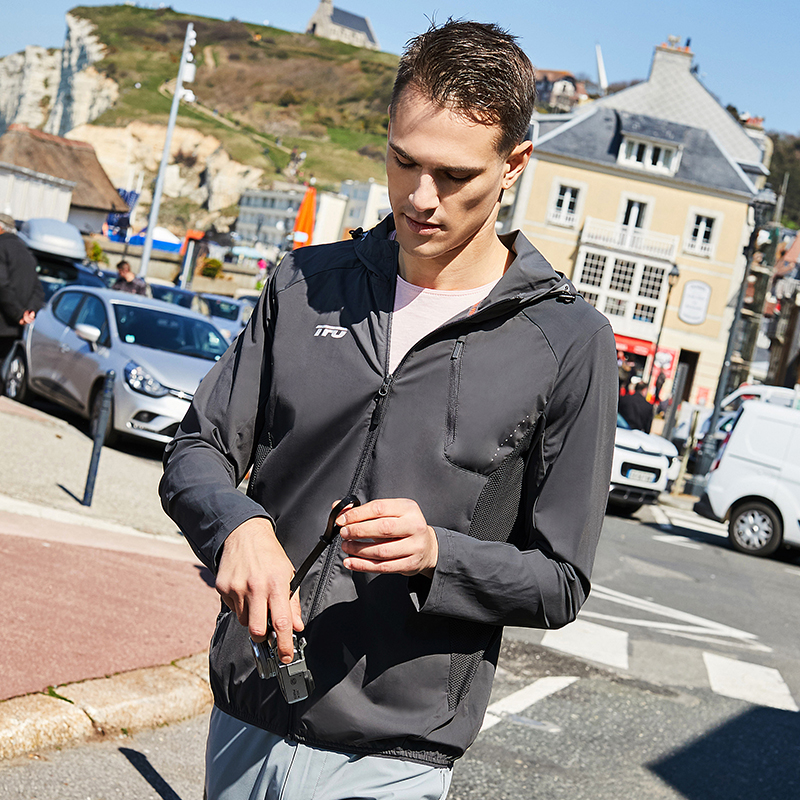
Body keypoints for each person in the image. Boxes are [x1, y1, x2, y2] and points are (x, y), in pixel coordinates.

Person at [160, 20, 618, 800]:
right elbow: (196, 449)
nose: (420, 197)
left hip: (394, 756)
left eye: (454, 175)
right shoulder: (303, 282)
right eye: (403, 161)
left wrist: (440, 553)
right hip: (246, 710)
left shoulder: (570, 341)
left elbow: (560, 580)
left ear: (514, 165)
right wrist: (236, 523)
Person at [0, 213, 44, 381]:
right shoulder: (26, 253)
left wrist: (18, 313)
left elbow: (2, 285)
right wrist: (28, 312)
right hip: (13, 328)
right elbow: (38, 290)